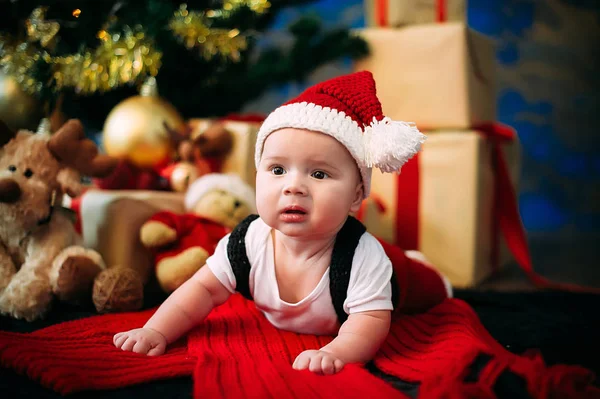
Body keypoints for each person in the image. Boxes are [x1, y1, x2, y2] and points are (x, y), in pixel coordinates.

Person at [114, 71, 451, 375]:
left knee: (423, 282)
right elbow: (201, 289)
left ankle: (428, 270)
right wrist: (156, 329)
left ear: (355, 195)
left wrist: (336, 351)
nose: (293, 186)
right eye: (277, 170)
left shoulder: (363, 256)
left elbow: (371, 321)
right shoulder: (246, 241)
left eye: (319, 173)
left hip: (403, 279)